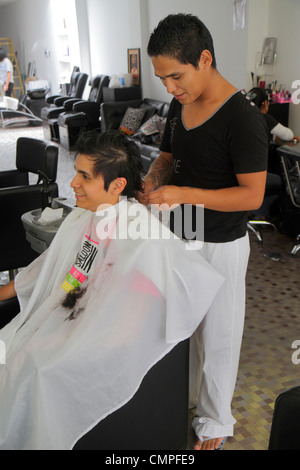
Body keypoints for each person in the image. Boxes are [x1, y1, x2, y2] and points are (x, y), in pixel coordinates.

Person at [0, 129, 222, 450]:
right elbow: (69, 273)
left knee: (32, 369)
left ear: (117, 185)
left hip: (95, 337)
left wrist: (62, 341)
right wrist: (17, 297)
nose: (73, 183)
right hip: (71, 321)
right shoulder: (86, 217)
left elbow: (127, 329)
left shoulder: (141, 240)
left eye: (83, 176)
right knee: (10, 350)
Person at [141, 13, 269, 450]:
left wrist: (184, 192)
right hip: (180, 233)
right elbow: (167, 157)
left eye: (176, 76)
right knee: (179, 326)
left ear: (205, 59)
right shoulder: (179, 105)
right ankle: (182, 397)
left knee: (218, 335)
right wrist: (154, 181)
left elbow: (251, 196)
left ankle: (215, 421)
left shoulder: (244, 118)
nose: (170, 88)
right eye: (163, 79)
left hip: (220, 242)